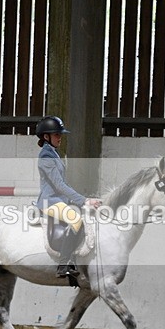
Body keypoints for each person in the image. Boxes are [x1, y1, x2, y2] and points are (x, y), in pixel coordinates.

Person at [35, 116, 102, 278]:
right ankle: (63, 265)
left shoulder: (54, 153)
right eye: (57, 135)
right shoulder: (46, 157)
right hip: (49, 201)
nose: (60, 138)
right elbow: (59, 185)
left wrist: (78, 199)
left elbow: (63, 184)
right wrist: (84, 200)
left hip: (59, 200)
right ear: (46, 137)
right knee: (76, 220)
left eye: (60, 135)